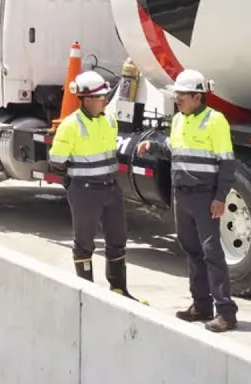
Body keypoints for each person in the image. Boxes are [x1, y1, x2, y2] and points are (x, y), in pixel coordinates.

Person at [139, 69, 238, 332]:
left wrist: (220, 198)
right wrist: (153, 146)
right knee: (192, 250)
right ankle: (201, 305)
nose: (177, 99)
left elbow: (227, 163)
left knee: (211, 253)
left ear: (197, 96)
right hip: (181, 196)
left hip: (205, 196)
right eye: (176, 95)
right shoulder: (178, 120)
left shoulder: (215, 121)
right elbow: (175, 150)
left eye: (182, 95)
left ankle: (226, 313)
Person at [49, 70, 137, 300]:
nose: (104, 101)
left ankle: (119, 289)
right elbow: (56, 161)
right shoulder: (70, 125)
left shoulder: (109, 121)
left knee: (118, 240)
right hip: (85, 191)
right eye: (100, 97)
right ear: (87, 99)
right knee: (84, 243)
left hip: (111, 190)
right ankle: (87, 295)